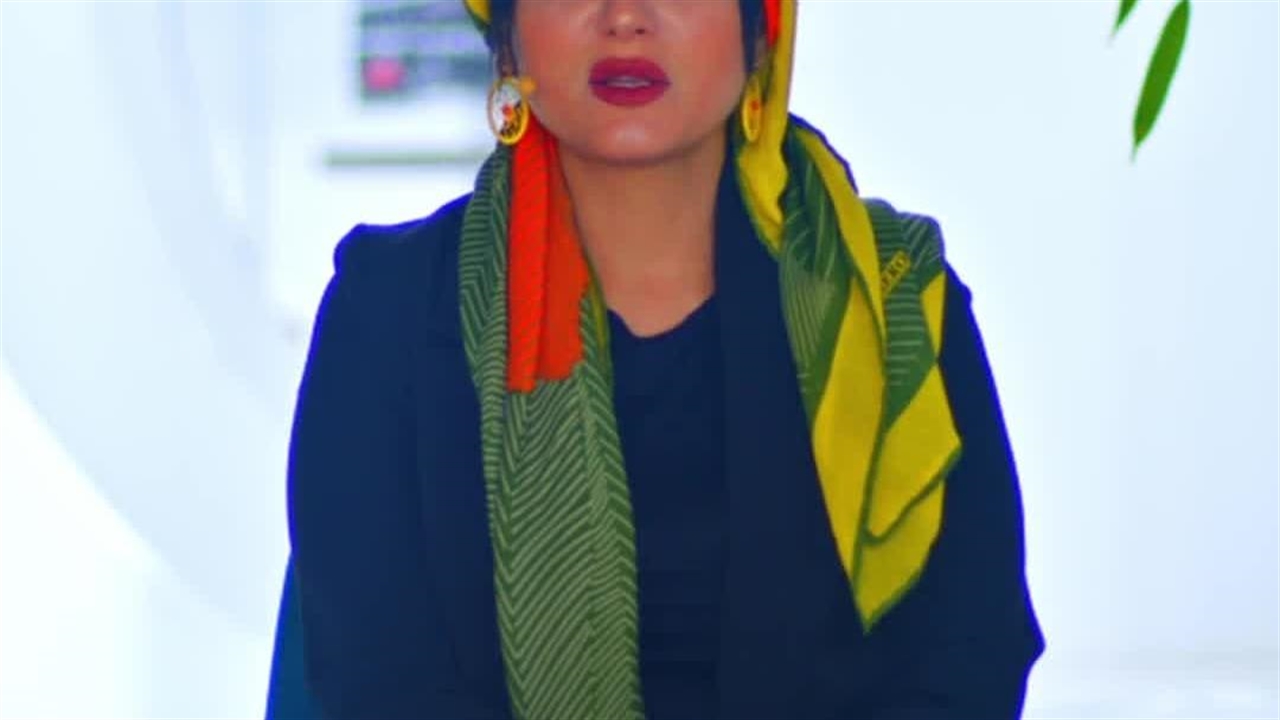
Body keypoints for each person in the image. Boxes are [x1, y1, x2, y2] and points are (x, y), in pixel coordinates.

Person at [284, 1, 1046, 718]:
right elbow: (377, 679)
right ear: (507, 38)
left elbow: (968, 655)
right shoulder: (388, 310)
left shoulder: (891, 297)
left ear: (761, 29)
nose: (625, 17)